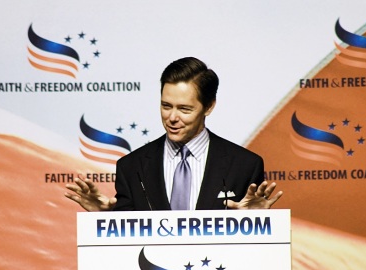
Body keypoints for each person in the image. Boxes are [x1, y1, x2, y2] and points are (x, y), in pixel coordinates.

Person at [65, 57, 282, 211]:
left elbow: (252, 247)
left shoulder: (244, 165)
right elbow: (126, 242)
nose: (172, 117)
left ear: (209, 107)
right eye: (166, 106)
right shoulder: (131, 167)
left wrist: (255, 222)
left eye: (184, 109)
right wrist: (106, 218)